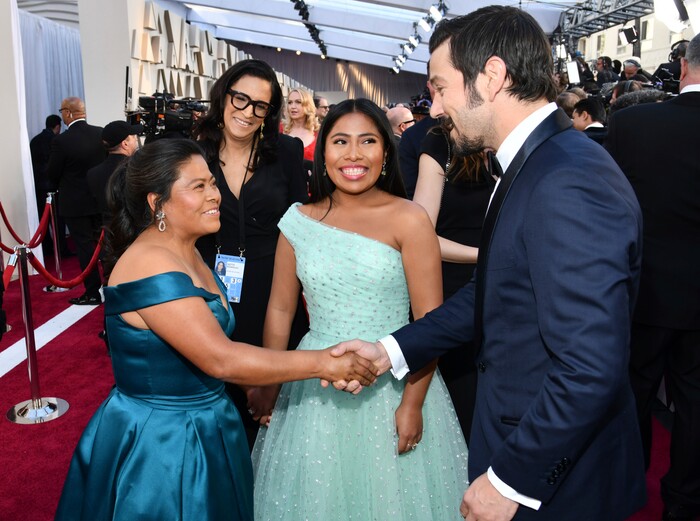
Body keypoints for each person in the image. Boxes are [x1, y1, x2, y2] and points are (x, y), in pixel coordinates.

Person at [331, 7, 646, 520]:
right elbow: (490, 292)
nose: (434, 108)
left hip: (558, 483)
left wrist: (509, 480)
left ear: (492, 77)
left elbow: (590, 366)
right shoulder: (535, 164)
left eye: (440, 88)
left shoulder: (566, 180)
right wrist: (390, 350)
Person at [54, 139, 377, 521]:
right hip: (161, 443)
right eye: (198, 187)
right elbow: (219, 358)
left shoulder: (187, 250)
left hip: (206, 423)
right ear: (158, 204)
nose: (215, 195)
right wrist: (326, 363)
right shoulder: (151, 263)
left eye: (212, 183)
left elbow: (208, 343)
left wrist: (251, 389)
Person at [250, 99, 469, 520]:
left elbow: (430, 322)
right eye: (340, 142)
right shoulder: (297, 220)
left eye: (367, 141)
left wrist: (412, 404)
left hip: (394, 382)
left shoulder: (409, 219)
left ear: (385, 152)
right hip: (312, 387)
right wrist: (269, 382)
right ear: (322, 152)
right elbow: (280, 310)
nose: (353, 154)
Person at [191, 59, 310, 449]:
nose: (247, 112)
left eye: (260, 105)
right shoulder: (194, 154)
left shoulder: (288, 152)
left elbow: (301, 225)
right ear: (224, 95)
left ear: (270, 111)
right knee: (219, 401)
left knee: (280, 412)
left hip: (275, 284)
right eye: (240, 99)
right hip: (209, 284)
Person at [606, 32, 700, 521]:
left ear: (683, 67)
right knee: (695, 408)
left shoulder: (633, 124)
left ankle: (626, 491)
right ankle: (685, 504)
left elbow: (610, 211)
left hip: (644, 294)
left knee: (632, 396)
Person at [412, 122, 495, 440]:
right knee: (463, 406)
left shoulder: (504, 140)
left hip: (502, 292)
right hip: (452, 291)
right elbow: (420, 234)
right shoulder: (440, 142)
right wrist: (484, 254)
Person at [47, 97, 106, 305]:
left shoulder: (61, 141)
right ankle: (112, 287)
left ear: (69, 113)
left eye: (62, 110)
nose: (61, 115)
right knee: (105, 245)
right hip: (99, 199)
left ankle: (92, 292)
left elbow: (52, 172)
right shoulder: (100, 133)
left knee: (84, 247)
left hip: (75, 203)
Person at [87, 120, 141, 225]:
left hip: (108, 232)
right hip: (135, 232)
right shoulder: (137, 169)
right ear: (125, 144)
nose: (136, 140)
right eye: (134, 137)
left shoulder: (92, 174)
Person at [30, 114, 69, 257]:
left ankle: (46, 250)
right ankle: (61, 250)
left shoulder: (34, 141)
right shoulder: (55, 141)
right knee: (58, 222)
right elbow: (55, 166)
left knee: (44, 221)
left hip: (38, 187)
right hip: (53, 187)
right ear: (57, 126)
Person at [283, 88, 319, 162]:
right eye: (290, 102)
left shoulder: (319, 132)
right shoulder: (280, 129)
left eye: (298, 102)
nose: (293, 106)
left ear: (308, 105)